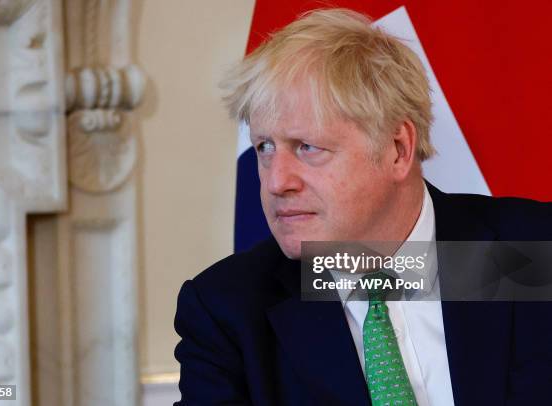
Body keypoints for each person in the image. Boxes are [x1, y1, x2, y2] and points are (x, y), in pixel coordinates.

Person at [173, 8, 552, 405]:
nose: (275, 181)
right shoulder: (229, 310)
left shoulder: (531, 253)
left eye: (308, 147)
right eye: (264, 147)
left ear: (397, 149)